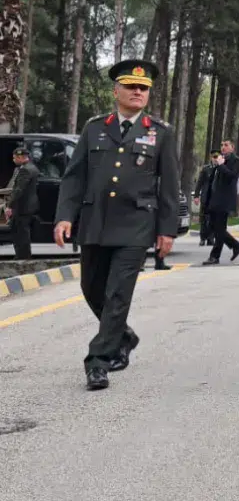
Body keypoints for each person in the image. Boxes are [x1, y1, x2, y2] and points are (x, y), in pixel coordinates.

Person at [53, 59, 180, 391]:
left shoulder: (160, 132)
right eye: (131, 86)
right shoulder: (94, 127)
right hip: (94, 222)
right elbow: (74, 177)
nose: (138, 92)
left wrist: (167, 230)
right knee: (91, 289)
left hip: (136, 225)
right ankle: (123, 336)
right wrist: (65, 216)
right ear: (117, 90)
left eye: (144, 88)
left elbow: (169, 185)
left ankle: (98, 360)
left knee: (117, 294)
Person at [201, 139, 239, 265]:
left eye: (226, 145)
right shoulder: (220, 160)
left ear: (232, 147)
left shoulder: (235, 160)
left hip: (224, 200)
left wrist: (221, 165)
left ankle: (215, 256)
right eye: (221, 145)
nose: (223, 147)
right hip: (215, 199)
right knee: (215, 228)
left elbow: (231, 176)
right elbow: (213, 180)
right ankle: (236, 245)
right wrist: (217, 165)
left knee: (218, 229)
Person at [6, 146, 39, 263]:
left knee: (21, 232)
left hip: (22, 207)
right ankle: (22, 255)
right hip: (28, 206)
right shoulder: (31, 167)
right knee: (22, 231)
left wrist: (10, 205)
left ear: (21, 157)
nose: (13, 160)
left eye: (15, 158)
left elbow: (19, 190)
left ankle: (23, 257)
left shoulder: (25, 170)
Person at [194, 149, 217, 246]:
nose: (215, 159)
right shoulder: (206, 169)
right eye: (214, 157)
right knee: (203, 218)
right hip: (205, 197)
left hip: (215, 198)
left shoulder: (221, 169)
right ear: (211, 158)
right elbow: (199, 183)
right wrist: (196, 195)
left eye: (217, 157)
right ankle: (202, 238)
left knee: (213, 218)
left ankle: (211, 239)